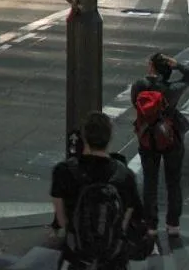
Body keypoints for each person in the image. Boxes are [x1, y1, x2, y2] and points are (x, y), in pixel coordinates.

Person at [50, 112, 146, 269]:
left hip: (77, 256)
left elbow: (61, 219)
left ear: (84, 137)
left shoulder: (63, 171)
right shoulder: (124, 175)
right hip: (113, 259)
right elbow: (127, 220)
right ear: (109, 138)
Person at [130, 52, 189, 235]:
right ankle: (173, 224)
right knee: (173, 181)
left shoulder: (139, 85)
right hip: (170, 137)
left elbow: (135, 104)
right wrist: (178, 66)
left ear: (151, 67)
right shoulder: (172, 89)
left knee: (150, 182)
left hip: (147, 137)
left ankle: (151, 224)